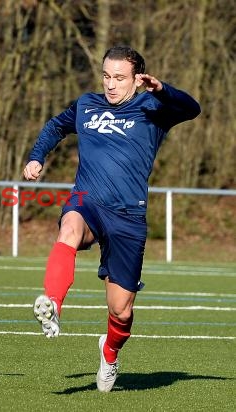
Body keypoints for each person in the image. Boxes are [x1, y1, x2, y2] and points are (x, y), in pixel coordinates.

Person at [23, 46, 200, 392]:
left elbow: (192, 108)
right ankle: (52, 304)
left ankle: (110, 352)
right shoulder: (87, 105)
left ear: (137, 79)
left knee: (121, 311)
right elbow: (55, 126)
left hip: (129, 216)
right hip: (87, 201)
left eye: (119, 78)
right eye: (106, 76)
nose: (111, 84)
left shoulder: (153, 108)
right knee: (69, 228)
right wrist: (36, 157)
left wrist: (162, 89)